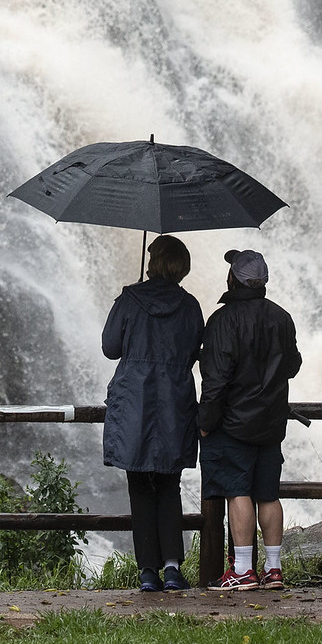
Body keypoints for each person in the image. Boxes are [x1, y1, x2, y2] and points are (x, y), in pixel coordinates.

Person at [101, 234, 206, 593]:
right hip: (174, 401)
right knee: (169, 485)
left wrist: (130, 304)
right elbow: (195, 352)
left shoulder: (130, 299)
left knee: (139, 486)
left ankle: (148, 571)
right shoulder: (190, 306)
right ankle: (173, 568)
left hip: (135, 400)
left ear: (154, 262)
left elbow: (110, 347)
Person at [197, 247, 301, 592]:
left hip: (233, 423)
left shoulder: (223, 320)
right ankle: (273, 569)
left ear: (233, 279)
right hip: (271, 423)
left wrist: (206, 421)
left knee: (237, 491)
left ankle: (242, 570)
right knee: (268, 494)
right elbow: (293, 366)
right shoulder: (282, 317)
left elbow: (216, 379)